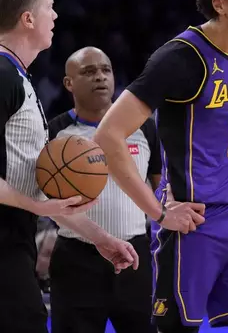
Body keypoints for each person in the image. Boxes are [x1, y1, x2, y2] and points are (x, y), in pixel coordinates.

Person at [94, 0, 228, 333]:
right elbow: (107, 135)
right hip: (193, 224)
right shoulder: (182, 58)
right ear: (220, 4)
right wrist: (160, 214)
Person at [0, 0, 137, 333]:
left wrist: (102, 239)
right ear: (28, 19)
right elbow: (38, 200)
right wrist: (37, 207)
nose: (57, 15)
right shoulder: (2, 75)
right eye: (49, 7)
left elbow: (44, 188)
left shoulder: (18, 77)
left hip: (16, 237)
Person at [47, 47, 161, 333]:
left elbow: (160, 187)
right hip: (76, 260)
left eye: (105, 70)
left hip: (137, 256)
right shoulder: (54, 132)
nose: (100, 77)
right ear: (68, 83)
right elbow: (44, 198)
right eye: (88, 71)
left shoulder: (144, 129)